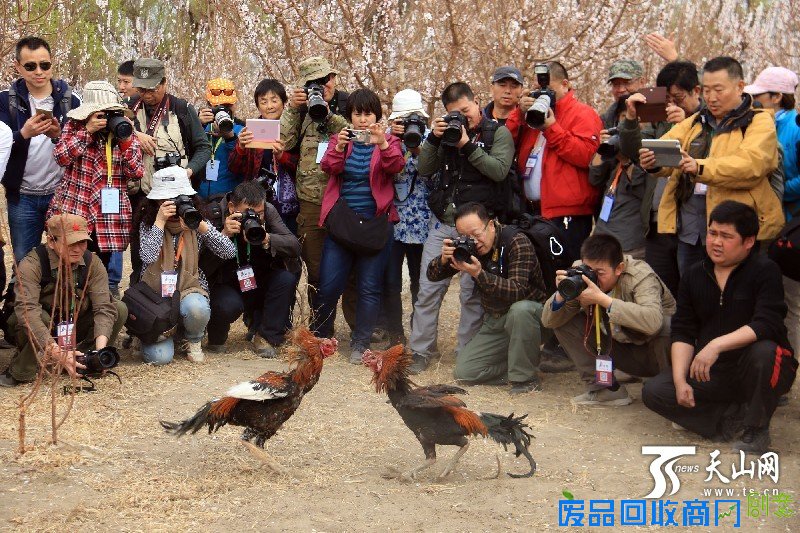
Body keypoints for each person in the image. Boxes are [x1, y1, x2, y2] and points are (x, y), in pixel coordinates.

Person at [642, 201, 797, 453]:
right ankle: (729, 419)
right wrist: (681, 381)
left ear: (748, 241)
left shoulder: (765, 270)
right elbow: (683, 328)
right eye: (713, 233)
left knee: (765, 351)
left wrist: (716, 344)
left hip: (758, 367)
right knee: (655, 391)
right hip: (712, 371)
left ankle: (756, 430)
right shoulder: (694, 273)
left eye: (726, 236)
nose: (716, 242)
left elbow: (767, 323)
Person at [638, 56, 784, 273]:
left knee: (737, 296)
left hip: (736, 231)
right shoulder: (697, 121)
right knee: (693, 294)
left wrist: (700, 167)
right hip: (691, 230)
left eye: (718, 90)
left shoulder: (759, 121)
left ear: (739, 87)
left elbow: (751, 164)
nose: (711, 98)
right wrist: (653, 161)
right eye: (706, 91)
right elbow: (668, 149)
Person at [409, 81, 514, 373]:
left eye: (466, 111)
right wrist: (432, 140)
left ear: (476, 102)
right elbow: (425, 169)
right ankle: (420, 350)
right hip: (444, 223)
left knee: (471, 293)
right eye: (455, 113)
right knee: (429, 288)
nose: (462, 118)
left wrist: (467, 145)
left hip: (478, 230)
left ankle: (466, 353)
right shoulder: (446, 135)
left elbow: (499, 170)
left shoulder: (498, 133)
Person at [312, 88, 405, 363]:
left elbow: (395, 167)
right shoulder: (339, 139)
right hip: (343, 224)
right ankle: (321, 337)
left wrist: (383, 145)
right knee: (328, 285)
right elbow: (328, 167)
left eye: (368, 113)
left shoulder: (390, 141)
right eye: (357, 114)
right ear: (349, 116)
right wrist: (339, 147)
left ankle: (360, 343)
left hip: (376, 225)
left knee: (369, 287)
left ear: (377, 115)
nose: (363, 120)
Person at [542, 233, 676, 406]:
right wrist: (562, 293)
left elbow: (653, 322)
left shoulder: (641, 276)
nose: (593, 278)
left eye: (600, 273)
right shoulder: (580, 272)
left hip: (653, 354)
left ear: (619, 268)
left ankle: (670, 391)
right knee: (564, 319)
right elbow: (549, 321)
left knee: (668, 325)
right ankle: (606, 390)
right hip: (617, 349)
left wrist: (603, 300)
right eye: (589, 270)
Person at [427, 202, 547, 394]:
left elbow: (516, 290)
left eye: (476, 234)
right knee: (465, 373)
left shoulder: (517, 241)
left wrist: (478, 274)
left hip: (531, 318)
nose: (474, 241)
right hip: (496, 319)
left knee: (520, 310)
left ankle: (525, 379)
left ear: (491, 225)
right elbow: (432, 276)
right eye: (465, 237)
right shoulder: (471, 248)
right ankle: (519, 364)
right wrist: (443, 260)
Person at [0, 214, 126, 387]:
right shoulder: (31, 264)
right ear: (51, 242)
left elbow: (103, 306)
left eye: (82, 242)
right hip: (35, 326)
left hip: (72, 322)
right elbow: (27, 313)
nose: (78, 249)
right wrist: (58, 352)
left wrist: (100, 350)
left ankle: (84, 361)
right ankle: (21, 370)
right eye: (70, 243)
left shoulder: (92, 262)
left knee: (118, 308)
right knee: (39, 318)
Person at [618, 60, 704, 297]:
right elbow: (633, 149)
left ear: (696, 91)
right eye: (668, 99)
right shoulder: (659, 121)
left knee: (692, 292)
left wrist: (688, 123)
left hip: (691, 224)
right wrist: (631, 119)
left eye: (679, 98)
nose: (673, 105)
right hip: (657, 223)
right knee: (661, 293)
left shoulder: (709, 121)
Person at [137, 167, 235, 365]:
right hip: (154, 294)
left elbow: (228, 252)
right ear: (157, 201)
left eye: (178, 198)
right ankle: (156, 334)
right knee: (160, 358)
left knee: (196, 308)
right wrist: (160, 221)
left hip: (189, 287)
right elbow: (147, 257)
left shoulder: (196, 219)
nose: (174, 205)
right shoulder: (148, 222)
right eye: (166, 199)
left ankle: (193, 340)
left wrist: (200, 225)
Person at [128, 58, 211, 283]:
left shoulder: (182, 110)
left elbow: (203, 148)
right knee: (141, 259)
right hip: (143, 197)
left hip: (177, 196)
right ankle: (143, 307)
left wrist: (189, 171)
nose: (146, 94)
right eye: (142, 88)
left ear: (164, 83)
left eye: (152, 88)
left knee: (179, 257)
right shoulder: (127, 109)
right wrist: (136, 135)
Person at [48, 81, 144, 273]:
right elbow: (60, 156)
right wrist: (87, 132)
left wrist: (125, 141)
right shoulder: (75, 126)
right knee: (68, 268)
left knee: (98, 270)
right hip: (76, 208)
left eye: (110, 113)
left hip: (106, 217)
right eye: (101, 114)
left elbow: (136, 172)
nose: (106, 119)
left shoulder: (123, 130)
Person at [0, 37, 81, 263]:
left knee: (66, 259)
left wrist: (58, 136)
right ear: (17, 66)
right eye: (30, 66)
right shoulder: (5, 102)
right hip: (22, 196)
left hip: (63, 194)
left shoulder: (70, 101)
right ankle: (25, 299)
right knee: (25, 260)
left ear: (52, 64)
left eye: (44, 65)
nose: (39, 72)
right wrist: (23, 134)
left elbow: (82, 145)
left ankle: (60, 299)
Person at [512, 61, 603, 258]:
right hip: (532, 212)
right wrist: (519, 113)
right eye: (539, 89)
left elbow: (587, 155)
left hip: (567, 215)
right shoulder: (532, 114)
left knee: (562, 273)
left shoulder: (583, 114)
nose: (544, 95)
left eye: (549, 89)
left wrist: (551, 128)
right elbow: (506, 143)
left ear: (565, 84)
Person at [280, 57, 349, 311]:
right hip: (310, 201)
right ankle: (320, 325)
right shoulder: (301, 112)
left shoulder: (346, 104)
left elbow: (355, 137)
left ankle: (356, 327)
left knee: (350, 267)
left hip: (344, 199)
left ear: (333, 78)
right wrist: (292, 109)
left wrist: (328, 114)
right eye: (313, 83)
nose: (321, 86)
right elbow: (284, 144)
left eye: (324, 80)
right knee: (316, 269)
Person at [743, 66, 800, 369]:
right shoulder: (760, 125)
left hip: (791, 228)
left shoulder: (795, 127)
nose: (754, 102)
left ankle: (788, 368)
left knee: (790, 305)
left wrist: (776, 191)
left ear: (778, 96)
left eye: (760, 96)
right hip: (768, 226)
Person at [205, 181, 301, 358]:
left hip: (258, 277)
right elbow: (201, 265)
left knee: (285, 278)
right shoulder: (214, 214)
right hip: (225, 281)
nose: (253, 218)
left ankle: (266, 336)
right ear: (232, 207)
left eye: (259, 214)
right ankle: (216, 332)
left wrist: (267, 238)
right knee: (227, 305)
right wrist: (223, 235)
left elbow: (294, 245)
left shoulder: (268, 211)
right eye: (248, 213)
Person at [374, 89, 433, 346]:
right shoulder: (385, 140)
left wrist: (418, 146)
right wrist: (390, 142)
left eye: (413, 118)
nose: (408, 123)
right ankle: (394, 333)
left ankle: (420, 335)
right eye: (402, 119)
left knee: (421, 285)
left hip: (424, 223)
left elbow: (433, 173)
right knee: (390, 282)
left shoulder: (432, 139)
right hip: (394, 222)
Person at [229, 78, 300, 233]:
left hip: (290, 205)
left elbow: (302, 166)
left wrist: (282, 157)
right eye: (263, 102)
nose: (269, 106)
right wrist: (240, 147)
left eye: (274, 100)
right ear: (258, 106)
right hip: (258, 203)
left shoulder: (296, 128)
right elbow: (234, 168)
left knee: (287, 243)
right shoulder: (250, 130)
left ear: (284, 102)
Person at [195, 78, 245, 200]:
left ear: (234, 105)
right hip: (200, 196)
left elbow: (243, 164)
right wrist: (197, 124)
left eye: (227, 106)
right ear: (208, 105)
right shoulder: (201, 127)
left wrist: (230, 137)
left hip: (230, 198)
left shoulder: (242, 130)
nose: (223, 111)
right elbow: (187, 149)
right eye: (218, 107)